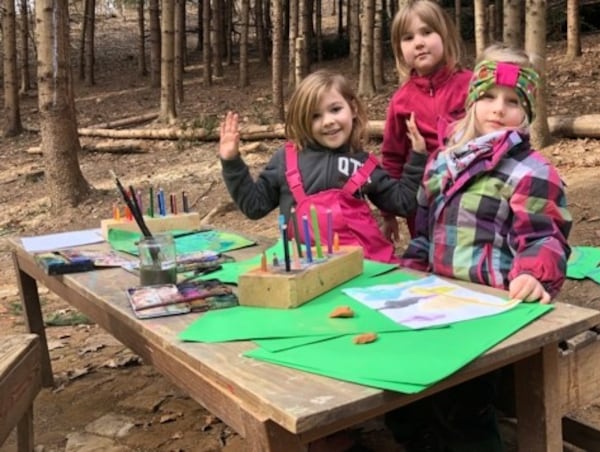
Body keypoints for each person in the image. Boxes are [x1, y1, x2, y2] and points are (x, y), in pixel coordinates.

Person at [388, 44, 573, 451]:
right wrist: (409, 272)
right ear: (472, 100)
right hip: (433, 301)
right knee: (403, 399)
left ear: (526, 113)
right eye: (488, 96)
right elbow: (424, 230)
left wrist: (532, 271)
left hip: (488, 312)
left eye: (512, 102)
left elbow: (544, 236)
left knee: (465, 407)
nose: (498, 109)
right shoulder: (442, 162)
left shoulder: (532, 171)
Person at [219, 70, 428, 264]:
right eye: (315, 116)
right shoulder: (286, 159)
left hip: (362, 268)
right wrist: (231, 162)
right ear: (302, 121)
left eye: (335, 109)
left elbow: (404, 203)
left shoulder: (365, 165)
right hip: (305, 274)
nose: (328, 121)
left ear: (353, 108)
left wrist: (417, 157)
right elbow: (254, 207)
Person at [380, 0, 473, 243]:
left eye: (427, 32)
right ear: (399, 50)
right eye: (408, 38)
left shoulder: (470, 86)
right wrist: (388, 213)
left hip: (472, 197)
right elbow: (392, 157)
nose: (418, 43)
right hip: (423, 204)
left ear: (445, 35)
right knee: (431, 263)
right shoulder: (401, 101)